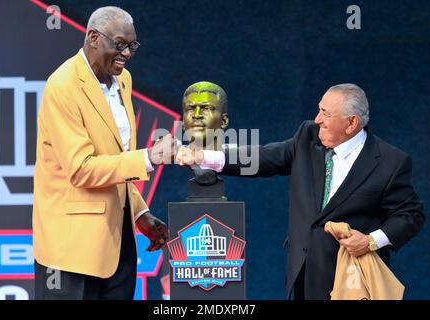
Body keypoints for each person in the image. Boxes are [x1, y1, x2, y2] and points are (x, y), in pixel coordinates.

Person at [176, 83, 425, 299]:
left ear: (352, 123)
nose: (317, 119)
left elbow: (410, 215)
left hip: (352, 280)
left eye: (326, 114)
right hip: (304, 272)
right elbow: (264, 157)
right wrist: (203, 156)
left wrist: (371, 241)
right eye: (319, 110)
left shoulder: (390, 161)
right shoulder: (309, 136)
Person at [33, 6, 175, 300]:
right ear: (93, 37)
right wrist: (149, 158)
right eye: (119, 44)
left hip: (117, 242)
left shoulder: (123, 80)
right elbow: (81, 168)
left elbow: (114, 156)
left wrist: (139, 212)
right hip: (72, 253)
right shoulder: (62, 87)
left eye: (132, 45)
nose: (126, 53)